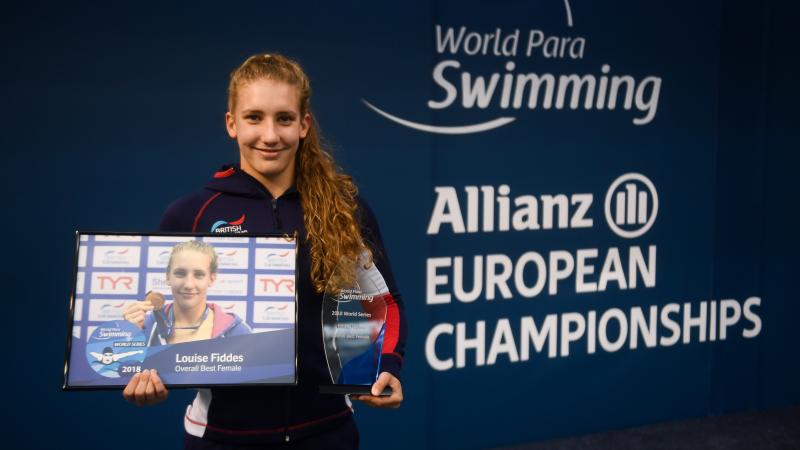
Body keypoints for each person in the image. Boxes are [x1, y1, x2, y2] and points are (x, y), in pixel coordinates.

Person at [123, 53, 406, 449]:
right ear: (231, 123)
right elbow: (157, 320)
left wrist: (387, 366)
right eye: (254, 117)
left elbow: (384, 302)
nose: (270, 135)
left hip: (328, 432)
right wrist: (148, 371)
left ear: (304, 125)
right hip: (221, 438)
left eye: (284, 118)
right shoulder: (190, 214)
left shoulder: (344, 208)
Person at [123, 240, 251, 345]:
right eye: (180, 273)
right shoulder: (145, 327)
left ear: (212, 278)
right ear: (168, 276)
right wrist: (126, 336)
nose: (188, 284)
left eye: (199, 274)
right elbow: (118, 372)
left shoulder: (237, 332)